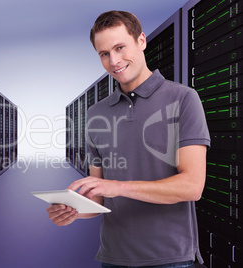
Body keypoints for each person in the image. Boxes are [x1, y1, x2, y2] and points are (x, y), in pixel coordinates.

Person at [47, 10, 210, 268]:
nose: (114, 61)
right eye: (104, 54)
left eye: (120, 47)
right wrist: (74, 211)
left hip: (170, 259)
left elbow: (192, 186)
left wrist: (118, 187)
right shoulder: (96, 113)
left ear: (141, 41)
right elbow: (99, 198)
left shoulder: (183, 99)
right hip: (113, 258)